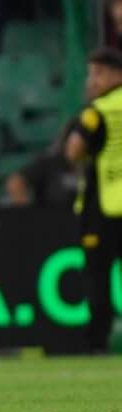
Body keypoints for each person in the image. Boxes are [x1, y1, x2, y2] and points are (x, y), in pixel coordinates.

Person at [63, 47, 122, 352]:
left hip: (104, 207)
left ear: (115, 75)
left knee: (98, 276)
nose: (92, 80)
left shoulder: (95, 113)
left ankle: (98, 343)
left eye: (97, 73)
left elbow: (73, 151)